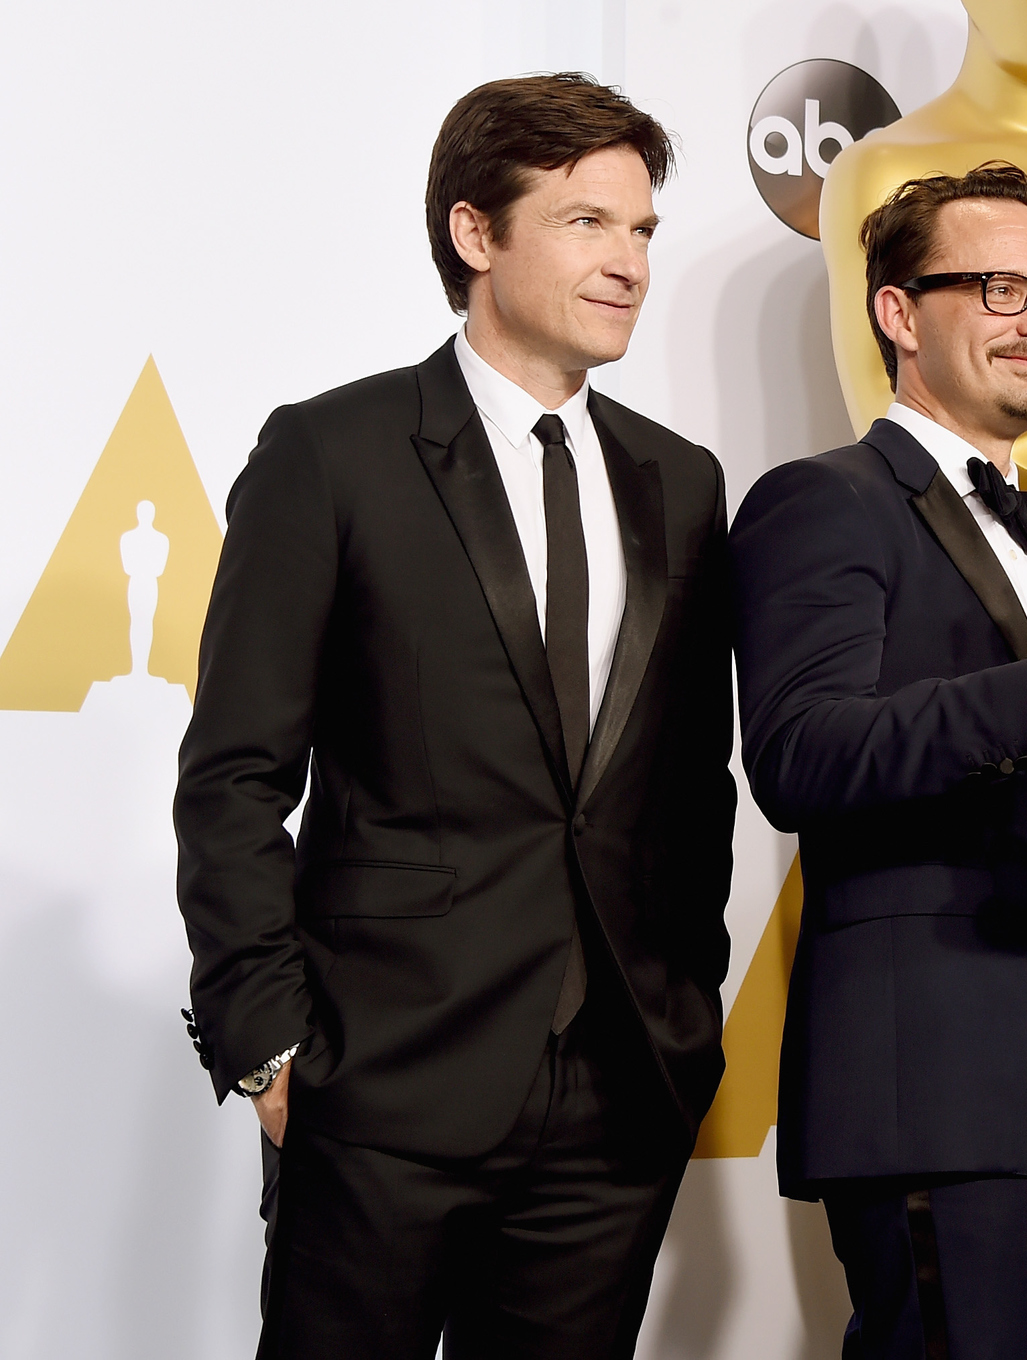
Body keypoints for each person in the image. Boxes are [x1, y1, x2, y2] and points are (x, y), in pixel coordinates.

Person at [172, 74, 735, 1359]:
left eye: (643, 231)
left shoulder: (681, 482)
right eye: (588, 223)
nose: (630, 264)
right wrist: (270, 1050)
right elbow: (234, 775)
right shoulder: (334, 454)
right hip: (383, 1081)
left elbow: (691, 789)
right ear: (475, 233)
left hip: (614, 1102)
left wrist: (681, 1023)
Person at [730, 162, 1027, 1360]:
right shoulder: (824, 502)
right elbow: (800, 753)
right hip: (920, 1083)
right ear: (898, 313)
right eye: (1000, 288)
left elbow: (1026, 799)